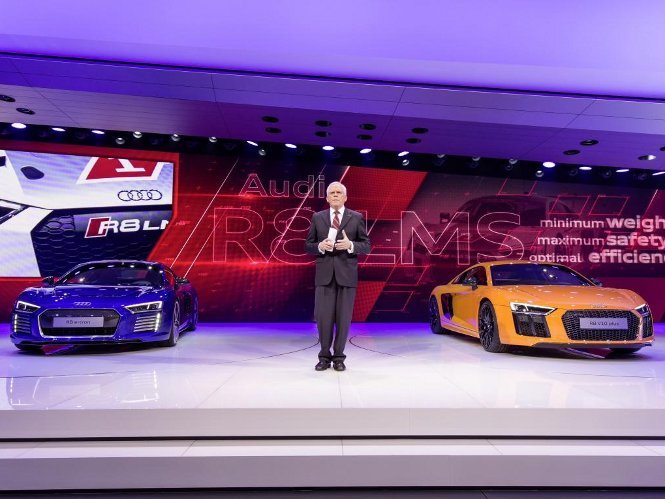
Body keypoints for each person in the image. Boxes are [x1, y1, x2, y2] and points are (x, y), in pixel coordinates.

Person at [305, 181, 371, 372]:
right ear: (327, 198)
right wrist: (319, 246)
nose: (335, 195)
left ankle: (339, 357)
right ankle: (324, 357)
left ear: (345, 197)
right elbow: (308, 245)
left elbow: (366, 245)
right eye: (332, 192)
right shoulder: (317, 217)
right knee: (323, 318)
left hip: (347, 275)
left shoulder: (356, 217)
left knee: (343, 319)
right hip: (324, 276)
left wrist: (351, 245)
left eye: (338, 192)